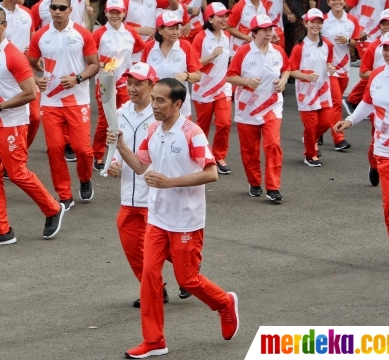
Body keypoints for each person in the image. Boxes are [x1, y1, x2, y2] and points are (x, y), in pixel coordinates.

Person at [107, 78, 239, 358]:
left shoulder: (192, 133)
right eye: (153, 98)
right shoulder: (153, 130)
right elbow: (142, 166)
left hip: (186, 220)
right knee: (149, 277)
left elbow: (211, 173)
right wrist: (120, 146)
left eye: (160, 100)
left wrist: (171, 182)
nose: (154, 105)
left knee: (187, 279)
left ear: (177, 104)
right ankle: (154, 341)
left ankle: (224, 302)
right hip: (157, 219)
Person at [0, 6, 65, 246]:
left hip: (11, 124)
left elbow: (31, 93)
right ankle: (2, 230)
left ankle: (53, 208)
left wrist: (0, 107)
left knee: (17, 174)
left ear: (4, 26)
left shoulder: (13, 55)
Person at [334, 30, 389, 274]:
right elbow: (367, 103)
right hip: (386, 153)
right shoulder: (376, 75)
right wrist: (350, 121)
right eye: (385, 49)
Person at [26, 0, 100, 210]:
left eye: (61, 8)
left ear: (70, 10)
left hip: (77, 100)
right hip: (51, 101)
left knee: (82, 150)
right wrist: (34, 78)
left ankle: (85, 179)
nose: (57, 12)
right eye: (53, 8)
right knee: (55, 149)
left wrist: (77, 78)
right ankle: (64, 195)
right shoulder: (40, 35)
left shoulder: (82, 33)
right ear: (49, 10)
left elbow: (94, 65)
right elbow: (29, 64)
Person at [226, 14, 290, 201]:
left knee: (273, 145)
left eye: (271, 30)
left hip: (272, 106)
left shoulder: (277, 51)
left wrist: (284, 80)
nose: (269, 33)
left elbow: (287, 68)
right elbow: (230, 76)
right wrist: (246, 81)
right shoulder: (243, 52)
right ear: (254, 33)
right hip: (248, 109)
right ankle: (254, 183)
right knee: (250, 150)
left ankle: (273, 187)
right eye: (264, 30)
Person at [343, 9, 389, 187]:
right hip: (380, 101)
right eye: (384, 23)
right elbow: (363, 73)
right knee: (379, 137)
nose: (387, 27)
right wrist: (383, 76)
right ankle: (374, 165)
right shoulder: (374, 47)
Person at [0, 0, 42, 150]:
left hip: (23, 73)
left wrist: (33, 56)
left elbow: (34, 42)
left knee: (35, 117)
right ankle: (7, 153)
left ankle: (17, 148)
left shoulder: (27, 13)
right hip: (2, 74)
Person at [91, 0, 146, 171]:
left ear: (124, 13)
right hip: (105, 82)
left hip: (125, 83)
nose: (115, 16)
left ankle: (123, 155)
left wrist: (132, 68)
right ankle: (98, 154)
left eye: (118, 12)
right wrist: (102, 65)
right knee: (105, 120)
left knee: (125, 118)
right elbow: (90, 56)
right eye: (111, 12)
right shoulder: (99, 33)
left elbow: (140, 48)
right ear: (106, 13)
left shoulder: (129, 32)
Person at [289, 8, 335, 167]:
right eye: (312, 22)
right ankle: (310, 155)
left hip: (323, 89)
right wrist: (305, 77)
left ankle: (310, 139)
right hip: (306, 92)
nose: (315, 25)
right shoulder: (299, 47)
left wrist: (330, 67)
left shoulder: (327, 44)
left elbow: (328, 60)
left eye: (319, 22)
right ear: (305, 23)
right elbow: (290, 70)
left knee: (326, 123)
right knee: (311, 126)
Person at [192, 2, 233, 174]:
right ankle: (200, 157)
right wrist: (211, 56)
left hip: (222, 88)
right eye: (220, 16)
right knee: (202, 127)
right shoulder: (201, 37)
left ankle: (219, 156)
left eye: (225, 16)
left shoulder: (227, 36)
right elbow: (193, 64)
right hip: (203, 89)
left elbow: (229, 61)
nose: (224, 19)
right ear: (210, 18)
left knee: (224, 123)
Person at [142, 12, 202, 120]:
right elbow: (143, 76)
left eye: (177, 28)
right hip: (155, 106)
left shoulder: (185, 46)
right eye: (171, 29)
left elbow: (198, 76)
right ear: (160, 30)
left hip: (179, 107)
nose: (175, 32)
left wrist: (186, 75)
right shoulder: (149, 47)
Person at [320, 0, 357, 151]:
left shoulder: (352, 20)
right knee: (336, 102)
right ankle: (339, 139)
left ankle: (316, 131)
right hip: (328, 69)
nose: (337, 2)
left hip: (345, 69)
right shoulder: (322, 20)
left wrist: (348, 40)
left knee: (329, 105)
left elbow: (355, 42)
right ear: (328, 2)